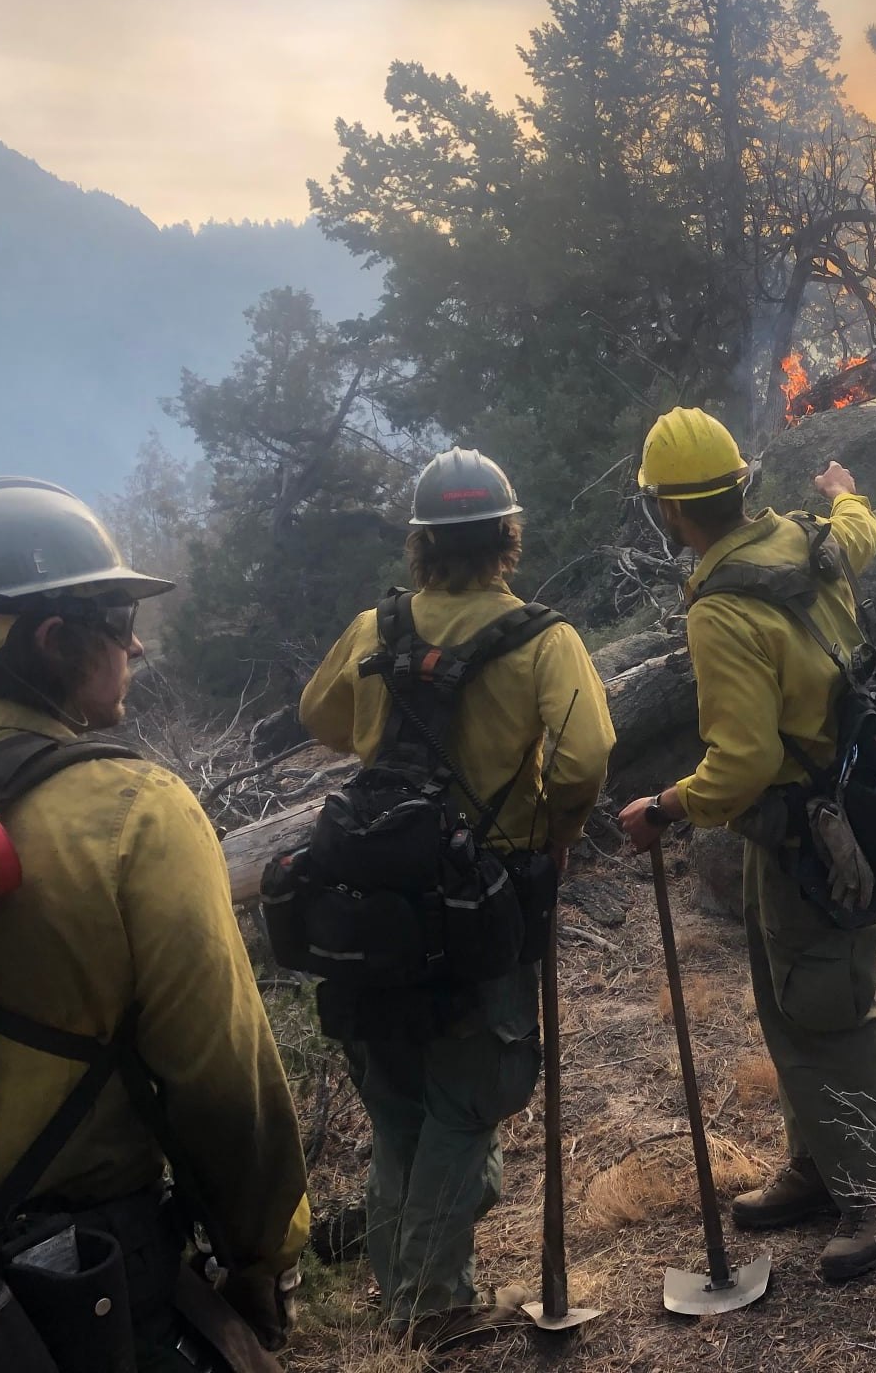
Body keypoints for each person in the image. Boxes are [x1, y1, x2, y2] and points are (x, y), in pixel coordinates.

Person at [0, 475, 310, 1368]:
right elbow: (224, 1080)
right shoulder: (134, 811)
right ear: (54, 639)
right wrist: (263, 1252)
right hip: (92, 1283)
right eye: (119, 620)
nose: (138, 643)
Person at [299, 448, 615, 1350]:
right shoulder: (544, 638)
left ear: (422, 542)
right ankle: (429, 1305)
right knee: (469, 1099)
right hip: (484, 898)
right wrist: (555, 829)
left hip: (370, 894)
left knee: (399, 1093)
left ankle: (401, 1285)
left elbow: (320, 715)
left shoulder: (374, 628)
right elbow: (587, 757)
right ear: (506, 539)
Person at [618, 407, 876, 1284]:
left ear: (670, 511)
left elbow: (742, 763)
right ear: (742, 486)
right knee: (789, 997)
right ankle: (818, 1167)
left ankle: (873, 1191)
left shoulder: (723, 609)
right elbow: (860, 530)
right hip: (834, 815)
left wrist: (665, 808)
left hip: (808, 834)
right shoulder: (804, 540)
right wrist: (845, 492)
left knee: (820, 1005)